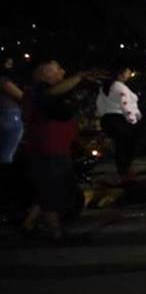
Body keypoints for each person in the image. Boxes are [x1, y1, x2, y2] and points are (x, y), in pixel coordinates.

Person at [20, 60, 105, 239]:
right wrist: (80, 76)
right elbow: (51, 95)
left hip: (56, 148)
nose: (63, 72)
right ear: (45, 72)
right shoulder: (37, 92)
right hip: (48, 149)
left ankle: (28, 223)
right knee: (53, 191)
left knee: (49, 189)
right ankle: (56, 233)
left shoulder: (48, 94)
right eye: (57, 69)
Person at [96, 64, 143, 181]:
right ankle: (125, 171)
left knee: (120, 146)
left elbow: (99, 104)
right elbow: (125, 104)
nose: (129, 74)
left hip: (109, 118)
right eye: (127, 72)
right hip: (121, 119)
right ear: (120, 74)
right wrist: (132, 120)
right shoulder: (120, 87)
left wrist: (102, 116)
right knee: (126, 147)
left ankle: (123, 171)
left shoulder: (105, 87)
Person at [1, 55, 23, 165]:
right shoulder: (4, 80)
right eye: (8, 63)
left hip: (6, 115)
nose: (10, 66)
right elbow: (21, 96)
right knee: (6, 156)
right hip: (8, 115)